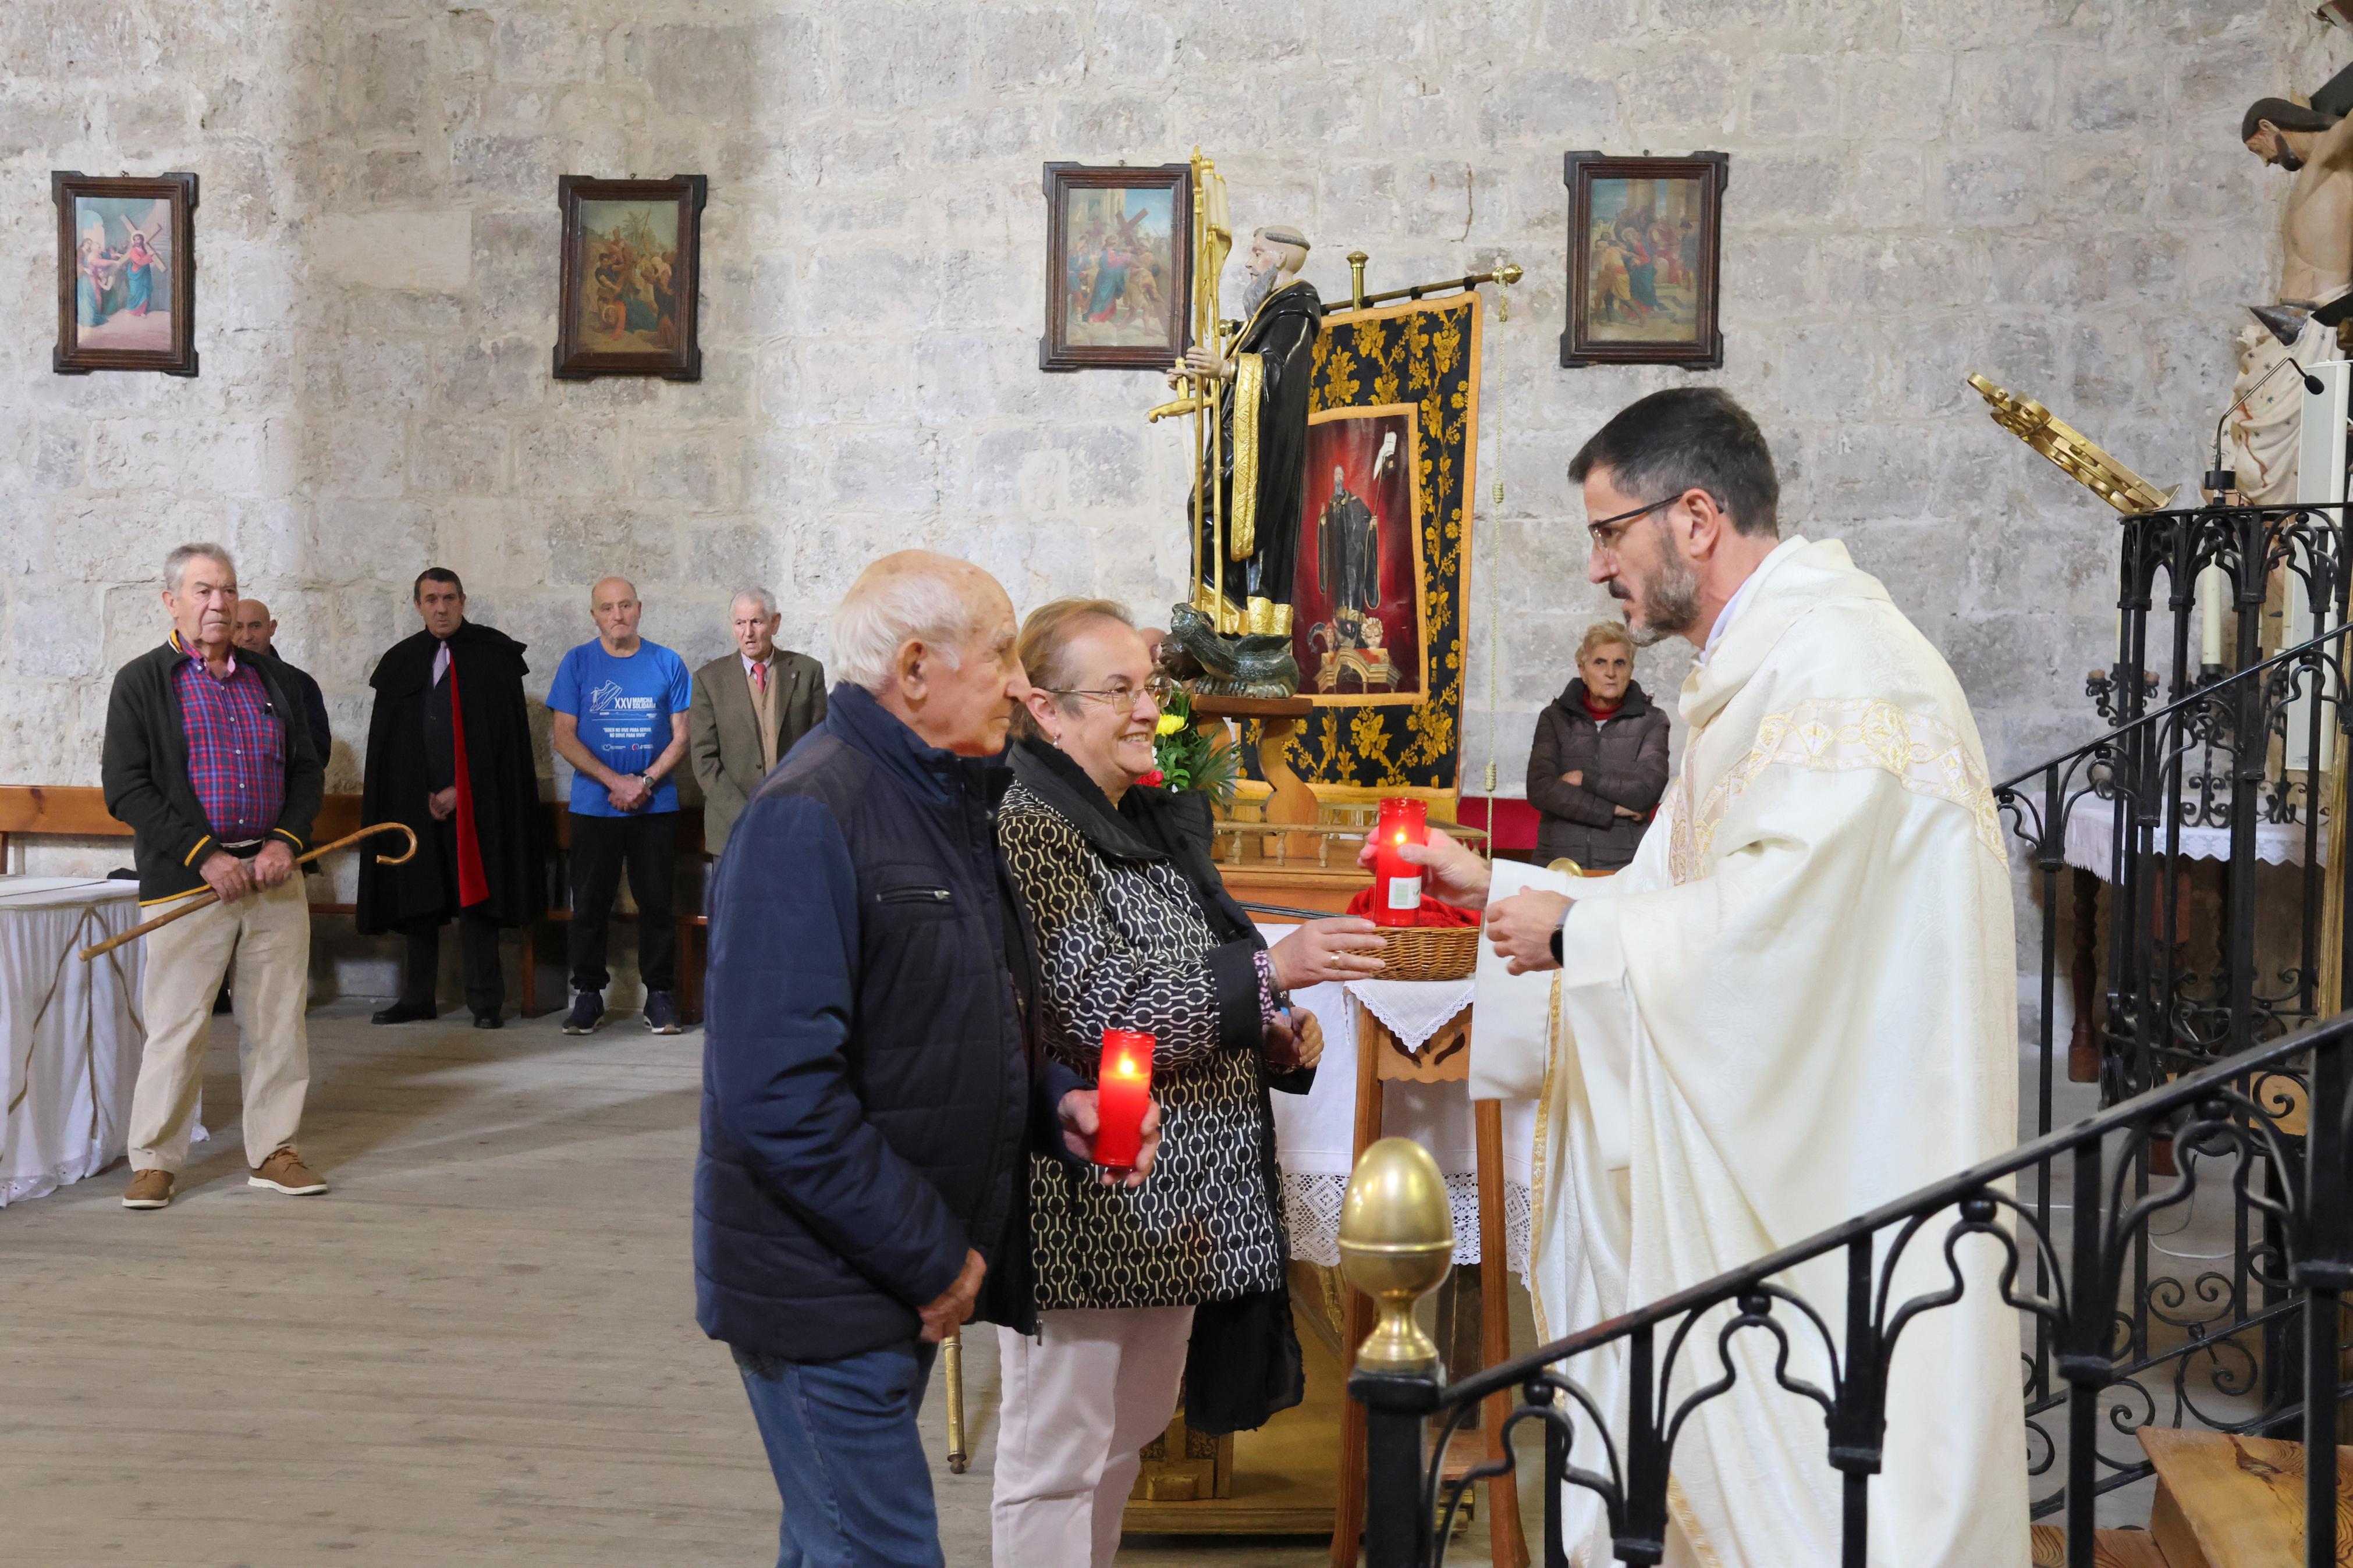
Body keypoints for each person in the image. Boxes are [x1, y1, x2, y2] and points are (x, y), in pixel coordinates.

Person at [1399, 387, 2025, 1567]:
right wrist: (1494, 888)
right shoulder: (1761, 667)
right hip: (1793, 1156)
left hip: (1838, 1176)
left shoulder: (1840, 673)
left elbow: (1772, 940)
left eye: (1606, 533)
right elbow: (1673, 897)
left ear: (1691, 518)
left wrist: (1577, 939)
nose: (1595, 570)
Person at [697, 551, 1157, 1568]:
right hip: (821, 1282)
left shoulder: (933, 802)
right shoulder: (807, 817)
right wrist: (932, 1256)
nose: (1017, 683)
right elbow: (779, 1096)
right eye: (998, 655)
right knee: (878, 1551)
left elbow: (952, 1018)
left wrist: (1054, 1104)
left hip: (873, 1274)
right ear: (914, 668)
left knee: (833, 1547)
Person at [992, 599, 1380, 1567]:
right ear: (1046, 710)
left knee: (1120, 1446)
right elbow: (1095, 1005)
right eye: (1117, 689)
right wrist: (1273, 973)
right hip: (1085, 1204)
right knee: (1056, 1461)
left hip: (1176, 1206)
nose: (1146, 709)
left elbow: (1186, 976)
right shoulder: (1031, 825)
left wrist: (1267, 1034)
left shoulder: (1143, 815)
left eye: (1150, 685)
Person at [101, 543, 326, 1211]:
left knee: (279, 1022)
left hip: (273, 878)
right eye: (202, 591)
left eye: (226, 589)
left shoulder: (273, 680)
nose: (218, 603)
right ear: (172, 600)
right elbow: (127, 788)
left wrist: (285, 841)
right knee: (177, 1026)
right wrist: (206, 854)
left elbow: (307, 771)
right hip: (189, 881)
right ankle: (155, 1161)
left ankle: (275, 1151)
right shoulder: (142, 682)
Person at [357, 569, 546, 1030]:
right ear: (417, 604)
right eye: (430, 599)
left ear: (463, 600)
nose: (440, 608)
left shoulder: (494, 658)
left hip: (479, 805)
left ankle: (486, 1002)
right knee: (419, 900)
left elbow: (506, 746)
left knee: (477, 901)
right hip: (415, 807)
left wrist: (462, 791)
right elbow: (390, 748)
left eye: (448, 598)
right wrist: (415, 794)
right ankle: (418, 997)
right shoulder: (401, 662)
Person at [548, 576, 693, 1036]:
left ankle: (661, 996)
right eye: (607, 608)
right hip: (595, 806)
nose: (617, 615)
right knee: (589, 904)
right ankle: (588, 995)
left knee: (657, 902)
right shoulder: (577, 663)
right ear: (594, 614)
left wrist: (644, 781)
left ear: (639, 608)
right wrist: (615, 781)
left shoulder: (667, 662)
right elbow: (563, 736)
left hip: (655, 805)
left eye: (625, 605)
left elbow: (682, 735)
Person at [1171, 223, 1322, 635]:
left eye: (1257, 253)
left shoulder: (1296, 307)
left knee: (1207, 510)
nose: (1249, 263)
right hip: (1236, 435)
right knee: (1203, 510)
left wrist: (1225, 367)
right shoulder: (1267, 309)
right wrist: (1200, 378)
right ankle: (1213, 610)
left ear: (1284, 258)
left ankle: (1229, 615)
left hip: (1258, 447)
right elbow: (1237, 383)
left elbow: (1278, 373)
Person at [687, 587, 826, 861]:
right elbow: (705, 761)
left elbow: (820, 751)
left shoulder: (808, 672)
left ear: (775, 623)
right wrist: (747, 816)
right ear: (732, 626)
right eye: (740, 623)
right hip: (733, 830)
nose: (748, 633)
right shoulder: (709, 680)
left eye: (757, 622)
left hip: (793, 825)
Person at [1525, 621, 1669, 872]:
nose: (1610, 672)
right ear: (1582, 669)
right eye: (1600, 662)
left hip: (1626, 866)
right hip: (1559, 862)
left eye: (1620, 663)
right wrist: (1612, 809)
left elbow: (1647, 791)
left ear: (1631, 669)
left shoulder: (1652, 721)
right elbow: (1540, 789)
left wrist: (1583, 778)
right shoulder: (1554, 718)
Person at [229, 597, 331, 770]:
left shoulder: (300, 684)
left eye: (255, 626)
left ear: (272, 628)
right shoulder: (216, 681)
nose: (246, 636)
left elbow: (317, 753)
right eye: (238, 627)